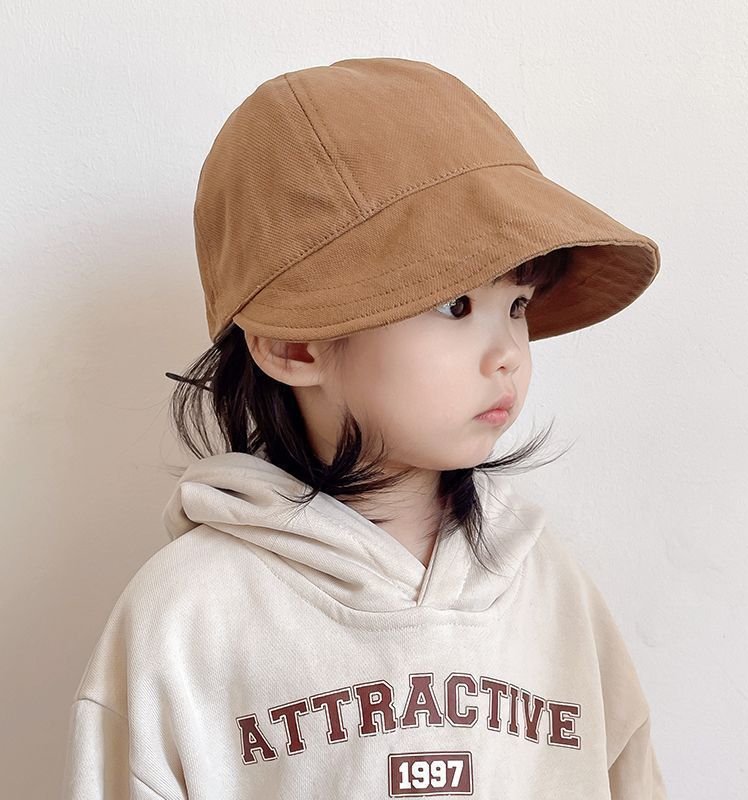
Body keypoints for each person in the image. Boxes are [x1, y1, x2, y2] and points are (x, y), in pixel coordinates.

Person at [61, 57, 668, 799]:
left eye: (516, 304)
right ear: (296, 344)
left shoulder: (550, 589)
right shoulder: (188, 618)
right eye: (454, 305)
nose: (509, 353)